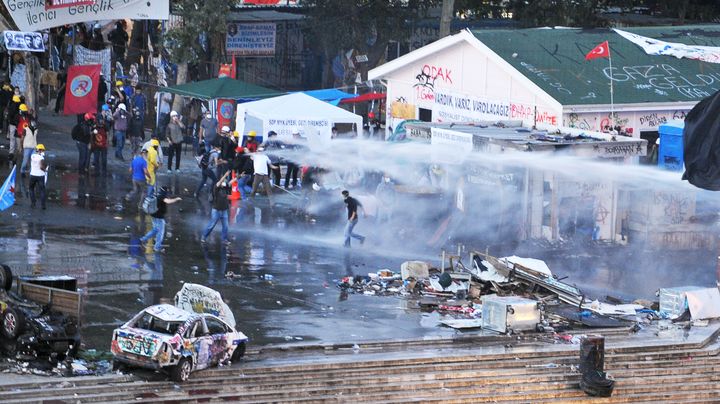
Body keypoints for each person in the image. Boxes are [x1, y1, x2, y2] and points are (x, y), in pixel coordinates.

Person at [139, 186, 181, 253]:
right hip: (159, 218)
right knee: (160, 233)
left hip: (154, 216)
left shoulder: (157, 195)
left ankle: (143, 239)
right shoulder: (162, 196)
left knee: (155, 230)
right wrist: (176, 199)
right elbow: (168, 201)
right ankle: (157, 247)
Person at [200, 170, 235, 245]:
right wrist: (225, 176)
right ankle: (204, 236)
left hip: (224, 210)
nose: (224, 183)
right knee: (212, 225)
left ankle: (224, 239)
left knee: (225, 226)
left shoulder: (225, 188)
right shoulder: (216, 188)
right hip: (216, 210)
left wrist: (239, 177)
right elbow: (219, 183)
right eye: (223, 182)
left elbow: (231, 182)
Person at [29, 144, 48, 209]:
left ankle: (33, 203)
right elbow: (41, 167)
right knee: (42, 190)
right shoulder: (41, 158)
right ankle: (43, 205)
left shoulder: (32, 156)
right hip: (40, 175)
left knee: (31, 188)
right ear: (40, 150)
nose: (43, 152)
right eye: (43, 150)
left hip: (33, 175)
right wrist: (45, 170)